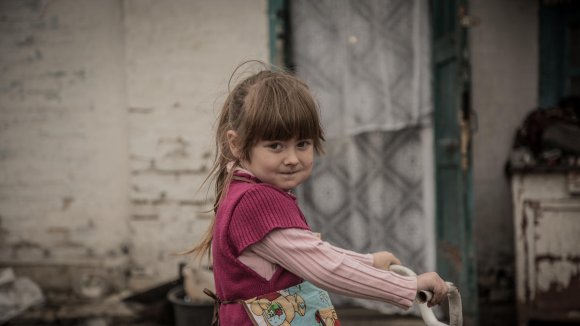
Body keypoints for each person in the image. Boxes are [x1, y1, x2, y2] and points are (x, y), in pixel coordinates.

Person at [191, 62, 448, 326]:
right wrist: (407, 286)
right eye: (275, 145)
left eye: (302, 144)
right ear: (236, 144)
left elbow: (307, 252)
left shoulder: (242, 190)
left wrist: (368, 262)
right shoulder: (256, 201)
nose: (292, 158)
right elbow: (322, 266)